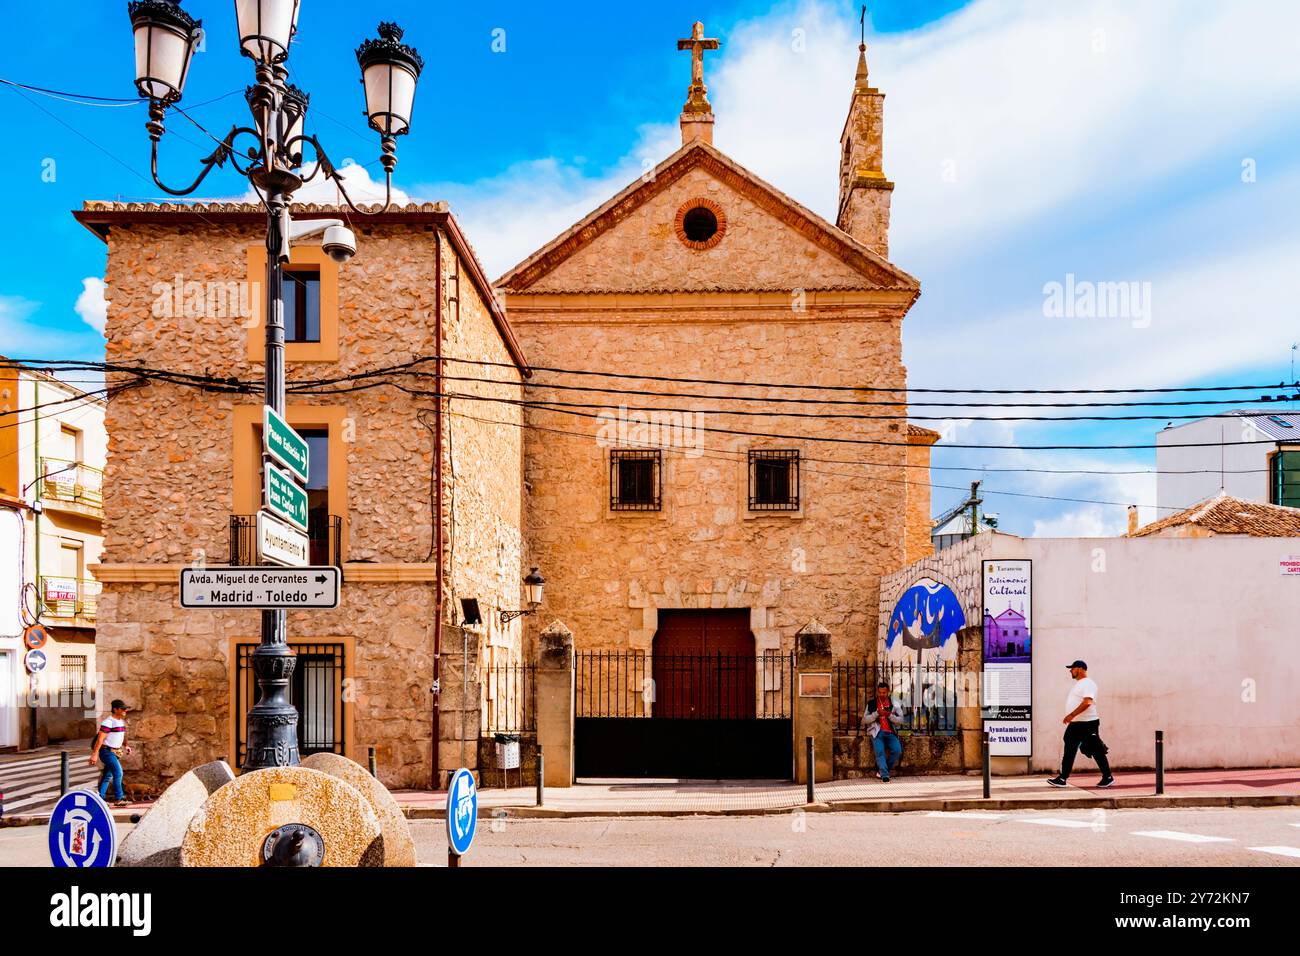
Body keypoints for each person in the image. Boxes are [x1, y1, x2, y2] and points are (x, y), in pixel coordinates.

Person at [1046, 661, 1115, 788]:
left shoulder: (1088, 684)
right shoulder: (1079, 684)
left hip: (1088, 724)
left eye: (1072, 668)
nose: (1070, 671)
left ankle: (1108, 776)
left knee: (1096, 750)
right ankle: (1062, 778)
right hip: (1076, 724)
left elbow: (1087, 702)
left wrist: (1071, 715)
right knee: (1069, 749)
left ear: (1081, 669)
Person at [89, 699, 132, 807]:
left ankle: (100, 799)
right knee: (118, 773)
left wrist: (126, 745)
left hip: (115, 752)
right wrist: (95, 754)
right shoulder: (108, 722)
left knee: (108, 776)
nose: (125, 711)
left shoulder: (120, 721)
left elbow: (121, 735)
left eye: (125, 709)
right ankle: (119, 798)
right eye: (122, 709)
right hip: (107, 752)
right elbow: (100, 739)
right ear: (115, 709)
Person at [861, 680, 903, 782]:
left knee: (897, 750)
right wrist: (876, 714)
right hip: (877, 732)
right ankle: (884, 775)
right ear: (877, 692)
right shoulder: (872, 704)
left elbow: (901, 720)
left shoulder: (894, 704)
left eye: (884, 692)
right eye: (880, 692)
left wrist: (890, 715)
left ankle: (883, 770)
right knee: (880, 752)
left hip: (890, 732)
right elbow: (864, 720)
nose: (882, 694)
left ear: (888, 692)